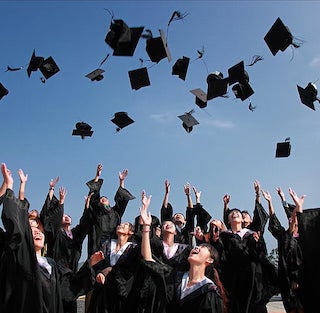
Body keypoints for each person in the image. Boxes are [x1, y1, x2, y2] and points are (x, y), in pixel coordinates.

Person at [0, 163, 103, 313]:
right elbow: (17, 228)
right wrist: (10, 187)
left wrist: (89, 265)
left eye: (39, 229)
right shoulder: (15, 257)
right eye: (31, 229)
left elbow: (69, 287)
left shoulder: (51, 266)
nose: (36, 232)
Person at [138, 190, 227, 313]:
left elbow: (191, 217)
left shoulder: (209, 291)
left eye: (202, 248)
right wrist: (146, 227)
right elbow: (149, 261)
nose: (196, 248)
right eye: (198, 247)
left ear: (210, 259)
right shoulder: (175, 277)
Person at [217, 207, 276, 313]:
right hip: (234, 279)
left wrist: (256, 243)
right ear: (228, 220)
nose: (234, 213)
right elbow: (222, 258)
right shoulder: (223, 237)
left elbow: (260, 255)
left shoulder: (251, 234)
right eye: (231, 213)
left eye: (237, 213)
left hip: (253, 278)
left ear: (242, 220)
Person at [262, 189, 303, 313]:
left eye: (294, 217)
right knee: (290, 306)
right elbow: (273, 219)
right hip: (285, 277)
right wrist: (270, 201)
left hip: (301, 278)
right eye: (291, 217)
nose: (291, 219)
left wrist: (296, 279)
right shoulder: (283, 236)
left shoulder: (304, 236)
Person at [87, 220, 139, 313]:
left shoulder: (133, 248)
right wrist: (100, 272)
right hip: (103, 288)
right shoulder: (106, 244)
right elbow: (98, 264)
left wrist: (110, 270)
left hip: (121, 289)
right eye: (120, 224)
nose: (121, 225)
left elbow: (130, 269)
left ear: (131, 232)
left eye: (125, 224)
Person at [85, 164, 135, 257]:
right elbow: (93, 195)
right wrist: (97, 176)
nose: (102, 199)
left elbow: (121, 199)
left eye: (105, 198)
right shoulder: (96, 212)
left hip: (113, 244)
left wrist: (121, 181)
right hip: (97, 243)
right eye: (101, 199)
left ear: (109, 202)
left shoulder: (115, 212)